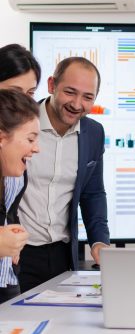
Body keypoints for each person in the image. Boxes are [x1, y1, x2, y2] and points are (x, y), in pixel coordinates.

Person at [18, 56, 110, 292]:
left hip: (63, 255)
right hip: (18, 253)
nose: (77, 104)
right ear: (51, 85)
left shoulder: (94, 133)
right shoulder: (20, 123)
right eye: (70, 92)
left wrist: (99, 241)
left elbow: (93, 193)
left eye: (87, 97)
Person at [0, 44, 42, 305]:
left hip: (7, 273)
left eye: (31, 93)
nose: (25, 102)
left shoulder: (14, 153)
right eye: (16, 92)